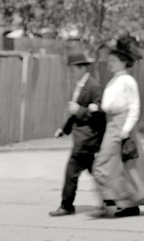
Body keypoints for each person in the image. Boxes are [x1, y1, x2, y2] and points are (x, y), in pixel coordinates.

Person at [91, 36, 144, 217]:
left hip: (120, 125)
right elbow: (109, 104)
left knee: (104, 164)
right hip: (111, 123)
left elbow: (134, 107)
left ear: (123, 62)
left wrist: (125, 130)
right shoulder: (114, 80)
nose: (109, 63)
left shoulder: (128, 81)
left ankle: (117, 200)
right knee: (118, 166)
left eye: (113, 60)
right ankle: (126, 203)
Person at [49, 52, 105, 217]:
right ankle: (113, 199)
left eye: (73, 68)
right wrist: (64, 129)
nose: (71, 71)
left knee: (71, 171)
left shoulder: (93, 86)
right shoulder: (80, 85)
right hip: (82, 138)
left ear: (81, 68)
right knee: (96, 171)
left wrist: (79, 110)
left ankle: (67, 206)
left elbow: (100, 112)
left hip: (87, 139)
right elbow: (74, 113)